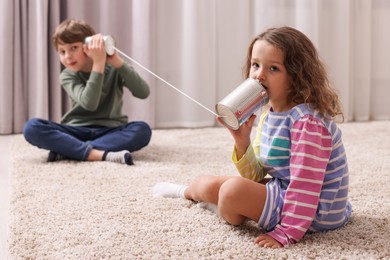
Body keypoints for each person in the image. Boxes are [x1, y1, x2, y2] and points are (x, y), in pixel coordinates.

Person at [153, 26, 352, 248]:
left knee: (231, 191)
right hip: (284, 190)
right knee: (210, 184)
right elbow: (256, 176)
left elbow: (305, 187)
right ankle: (185, 192)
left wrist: (286, 233)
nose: (259, 74)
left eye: (273, 68)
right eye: (255, 65)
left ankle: (224, 207)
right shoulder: (270, 116)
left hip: (317, 211)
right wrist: (242, 141)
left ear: (297, 77)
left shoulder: (307, 124)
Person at [23, 19, 152, 165]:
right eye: (62, 51)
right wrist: (98, 64)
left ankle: (70, 150)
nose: (67, 56)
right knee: (32, 127)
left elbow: (143, 92)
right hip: (75, 131)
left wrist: (118, 63)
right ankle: (100, 153)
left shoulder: (114, 69)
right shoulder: (68, 75)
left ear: (89, 46)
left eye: (74, 48)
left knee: (142, 130)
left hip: (110, 130)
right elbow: (89, 103)